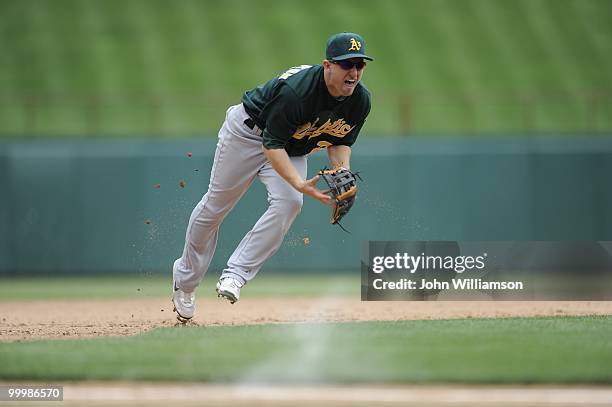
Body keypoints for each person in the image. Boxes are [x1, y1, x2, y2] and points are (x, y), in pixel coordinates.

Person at [171, 32, 373, 322]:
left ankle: (236, 275)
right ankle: (185, 281)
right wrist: (299, 183)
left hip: (292, 146)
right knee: (217, 206)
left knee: (290, 203)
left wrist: (341, 170)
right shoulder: (298, 92)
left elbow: (340, 141)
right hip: (248, 134)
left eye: (359, 65)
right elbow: (271, 144)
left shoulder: (360, 101)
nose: (354, 72)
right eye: (346, 65)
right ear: (327, 65)